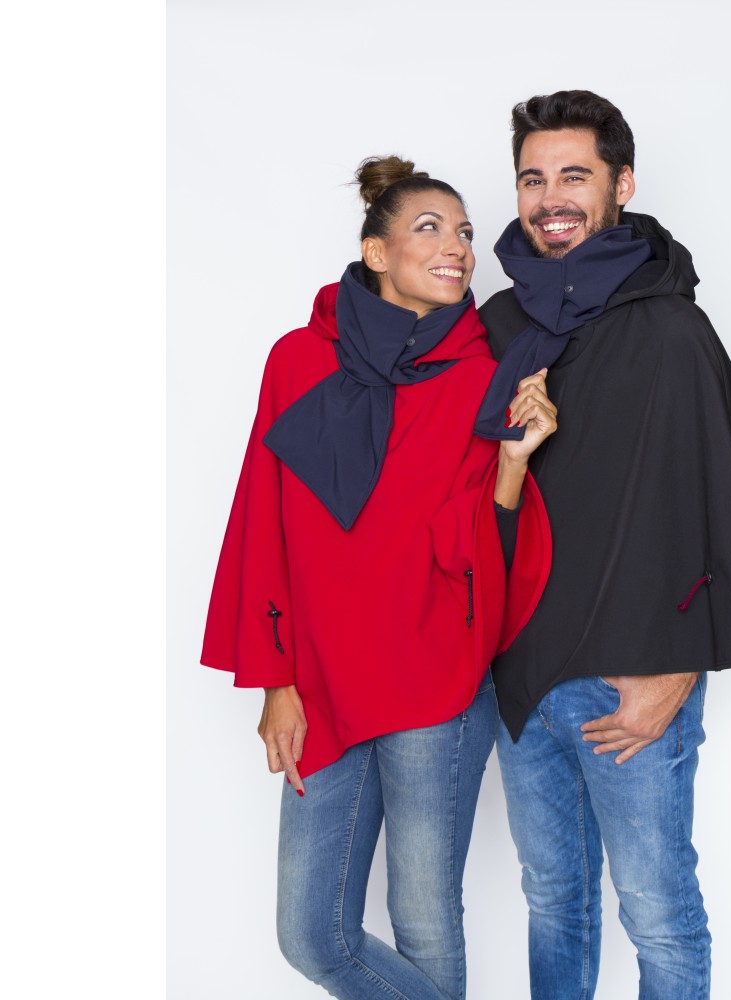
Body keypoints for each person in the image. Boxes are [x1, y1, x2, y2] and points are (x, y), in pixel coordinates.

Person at [473, 91, 731, 1000]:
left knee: (657, 911)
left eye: (574, 176)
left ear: (621, 184)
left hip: (633, 679)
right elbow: (466, 502)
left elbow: (721, 498)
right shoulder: (497, 327)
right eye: (533, 179)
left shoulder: (671, 329)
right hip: (521, 674)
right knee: (553, 901)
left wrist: (679, 666)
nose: (551, 199)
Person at [201, 155, 558, 1000]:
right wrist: (277, 681)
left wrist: (513, 464)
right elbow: (264, 524)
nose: (457, 247)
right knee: (311, 935)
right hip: (324, 685)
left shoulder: (484, 376)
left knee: (425, 924)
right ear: (375, 251)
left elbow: (481, 554)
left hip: (438, 683)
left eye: (465, 232)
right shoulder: (298, 361)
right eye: (430, 229)